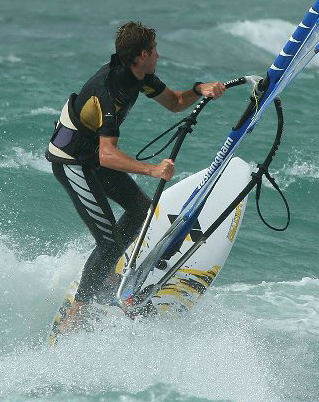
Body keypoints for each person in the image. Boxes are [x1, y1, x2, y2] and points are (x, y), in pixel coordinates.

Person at [46, 21, 225, 332]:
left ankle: (104, 273)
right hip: (73, 160)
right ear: (142, 55)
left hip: (92, 156)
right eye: (154, 50)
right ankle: (77, 311)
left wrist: (200, 90)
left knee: (140, 209)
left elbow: (174, 103)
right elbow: (107, 154)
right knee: (108, 242)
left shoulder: (138, 77)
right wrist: (152, 169)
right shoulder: (109, 90)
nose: (159, 54)